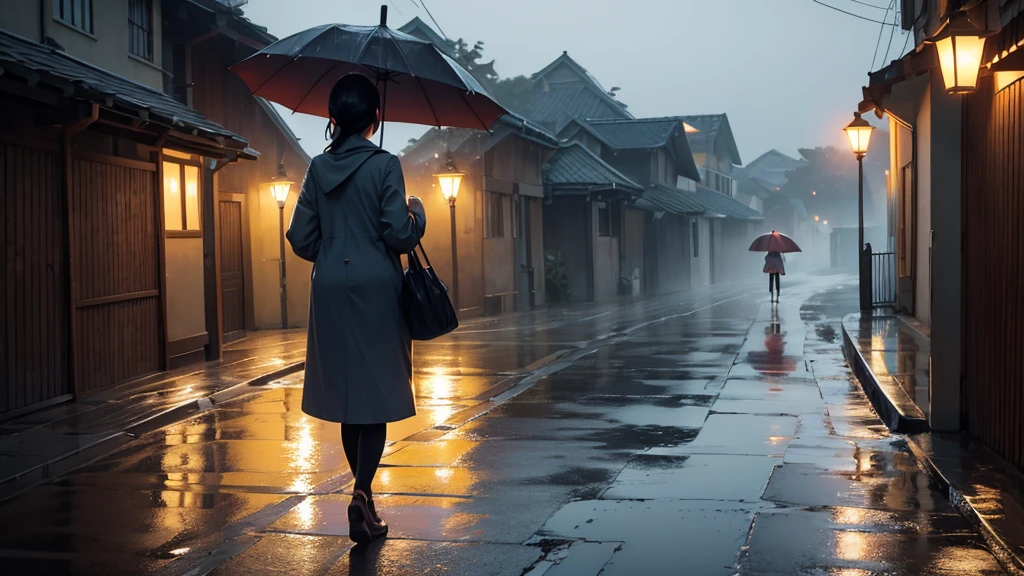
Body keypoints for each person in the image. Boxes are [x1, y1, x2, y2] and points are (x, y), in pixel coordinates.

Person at [286, 73, 426, 545]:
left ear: (332, 119)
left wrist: (332, 249)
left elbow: (300, 238)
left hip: (329, 287)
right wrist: (418, 214)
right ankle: (363, 493)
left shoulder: (316, 168)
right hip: (376, 287)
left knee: (348, 397)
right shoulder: (386, 165)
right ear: (376, 117)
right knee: (377, 397)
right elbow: (399, 235)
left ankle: (363, 496)